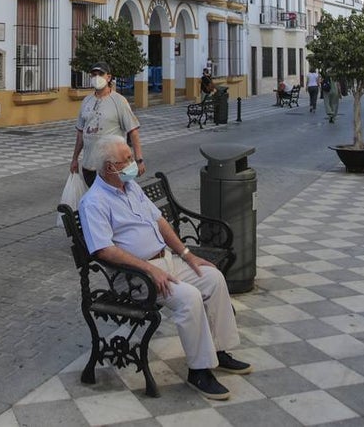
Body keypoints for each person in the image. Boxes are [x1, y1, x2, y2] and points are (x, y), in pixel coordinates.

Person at [78, 137, 251, 400]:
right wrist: (148, 270)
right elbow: (104, 250)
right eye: (127, 159)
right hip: (136, 278)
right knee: (189, 297)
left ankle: (219, 351)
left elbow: (159, 221)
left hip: (166, 262)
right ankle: (199, 370)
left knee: (213, 277)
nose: (134, 163)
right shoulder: (94, 202)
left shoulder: (131, 187)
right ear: (110, 167)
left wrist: (188, 255)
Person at [72, 61, 144, 187]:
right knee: (94, 197)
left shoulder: (119, 101)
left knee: (114, 196)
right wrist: (74, 159)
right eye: (94, 74)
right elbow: (80, 133)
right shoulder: (87, 101)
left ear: (108, 77)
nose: (96, 77)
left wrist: (139, 160)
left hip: (112, 168)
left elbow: (133, 131)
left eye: (100, 74)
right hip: (89, 166)